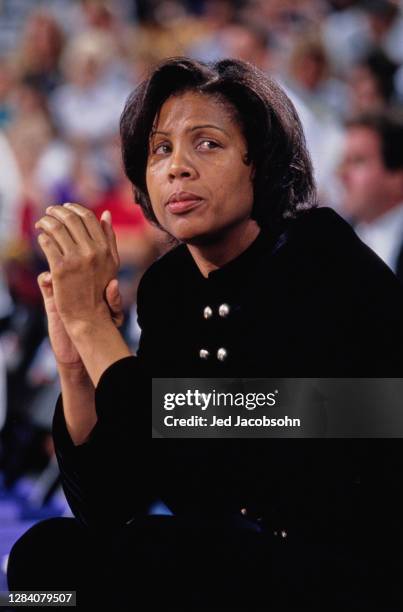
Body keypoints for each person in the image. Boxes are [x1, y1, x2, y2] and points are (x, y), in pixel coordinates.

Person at [7, 57, 403, 610]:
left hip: (340, 565)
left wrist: (99, 333)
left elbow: (297, 420)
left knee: (140, 555)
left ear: (259, 164)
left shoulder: (320, 252)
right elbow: (107, 504)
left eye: (207, 144)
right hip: (224, 562)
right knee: (45, 567)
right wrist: (77, 362)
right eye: (160, 149)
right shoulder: (170, 289)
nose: (177, 167)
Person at [339, 109, 403, 283]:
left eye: (358, 161)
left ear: (397, 176)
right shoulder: (335, 242)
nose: (342, 175)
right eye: (345, 161)